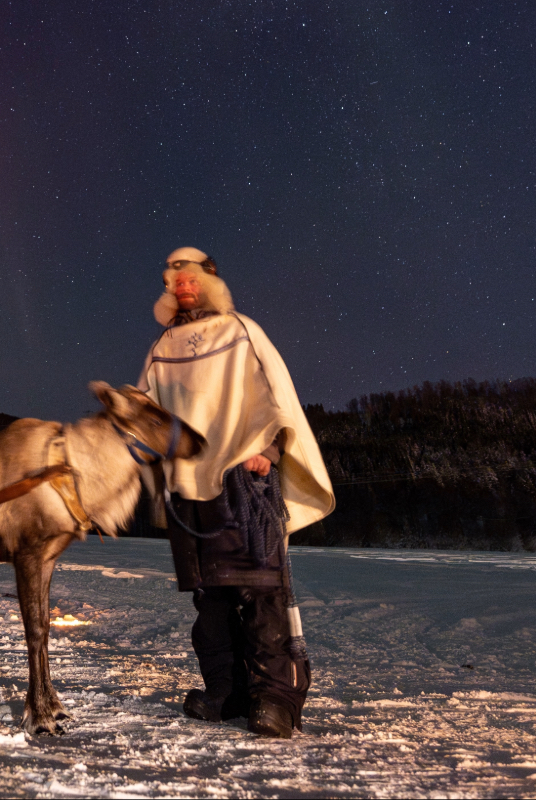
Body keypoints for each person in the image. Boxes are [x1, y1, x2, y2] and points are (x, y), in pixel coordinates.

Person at [138, 248, 336, 738]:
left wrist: (267, 446)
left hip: (243, 479)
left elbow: (270, 393)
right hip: (189, 487)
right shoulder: (162, 347)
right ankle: (225, 693)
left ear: (209, 280)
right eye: (173, 279)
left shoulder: (240, 330)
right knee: (211, 598)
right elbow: (148, 411)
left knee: (260, 591)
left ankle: (276, 700)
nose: (182, 286)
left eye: (190, 276)